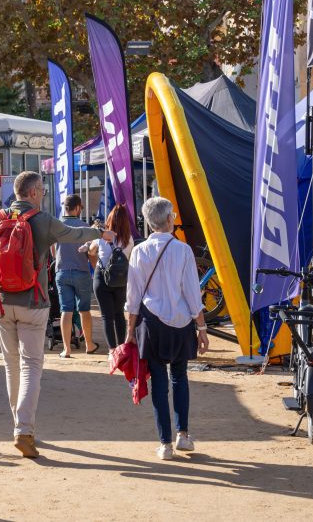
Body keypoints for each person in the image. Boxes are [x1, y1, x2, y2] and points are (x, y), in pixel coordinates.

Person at [0, 171, 115, 458]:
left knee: (11, 365)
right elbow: (74, 233)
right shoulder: (42, 220)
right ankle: (24, 429)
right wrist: (100, 233)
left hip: (1, 302)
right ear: (34, 192)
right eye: (41, 189)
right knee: (31, 365)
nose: (43, 194)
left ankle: (18, 422)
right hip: (34, 302)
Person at [124, 197, 208, 460]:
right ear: (169, 218)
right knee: (180, 377)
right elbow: (193, 293)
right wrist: (202, 327)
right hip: (182, 322)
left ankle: (165, 444)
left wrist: (129, 332)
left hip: (152, 323)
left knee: (159, 382)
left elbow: (133, 296)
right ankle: (183, 435)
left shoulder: (139, 251)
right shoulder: (182, 250)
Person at [55, 194, 99, 358]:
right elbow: (91, 253)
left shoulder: (57, 226)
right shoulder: (84, 227)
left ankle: (66, 349)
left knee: (65, 310)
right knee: (84, 310)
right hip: (82, 272)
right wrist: (96, 270)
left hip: (62, 272)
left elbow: (53, 251)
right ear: (78, 207)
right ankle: (89, 344)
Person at [86, 204, 134, 351]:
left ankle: (112, 351)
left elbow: (91, 252)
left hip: (102, 278)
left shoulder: (102, 238)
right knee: (120, 314)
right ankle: (122, 348)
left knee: (107, 317)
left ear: (110, 219)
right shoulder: (129, 240)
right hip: (121, 280)